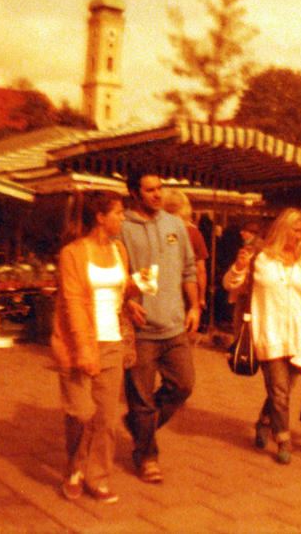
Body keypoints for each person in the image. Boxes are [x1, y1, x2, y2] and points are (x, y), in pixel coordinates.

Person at [223, 208, 301, 465]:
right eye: (295, 230)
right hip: (269, 334)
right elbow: (230, 285)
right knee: (279, 391)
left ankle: (264, 421)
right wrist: (239, 268)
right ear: (282, 228)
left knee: (283, 391)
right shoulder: (260, 258)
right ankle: (284, 440)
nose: (299, 236)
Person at [50, 190, 141, 504]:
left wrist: (132, 297)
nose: (123, 218)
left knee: (106, 418)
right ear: (100, 217)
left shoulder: (119, 250)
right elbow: (74, 303)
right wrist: (84, 351)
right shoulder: (73, 253)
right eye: (117, 213)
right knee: (81, 412)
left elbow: (118, 290)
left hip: (113, 341)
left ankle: (97, 477)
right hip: (78, 343)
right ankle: (74, 468)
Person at [120, 171, 200, 484]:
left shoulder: (175, 224)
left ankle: (140, 425)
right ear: (134, 193)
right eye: (150, 190)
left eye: (160, 188)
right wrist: (126, 302)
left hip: (174, 325)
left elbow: (188, 269)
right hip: (140, 329)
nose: (157, 194)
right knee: (140, 398)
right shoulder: (123, 227)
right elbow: (115, 272)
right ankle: (146, 455)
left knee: (184, 385)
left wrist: (194, 306)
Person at [162, 189, 209, 331]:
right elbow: (201, 269)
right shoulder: (194, 233)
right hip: (187, 290)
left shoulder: (157, 230)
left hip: (162, 288)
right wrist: (201, 297)